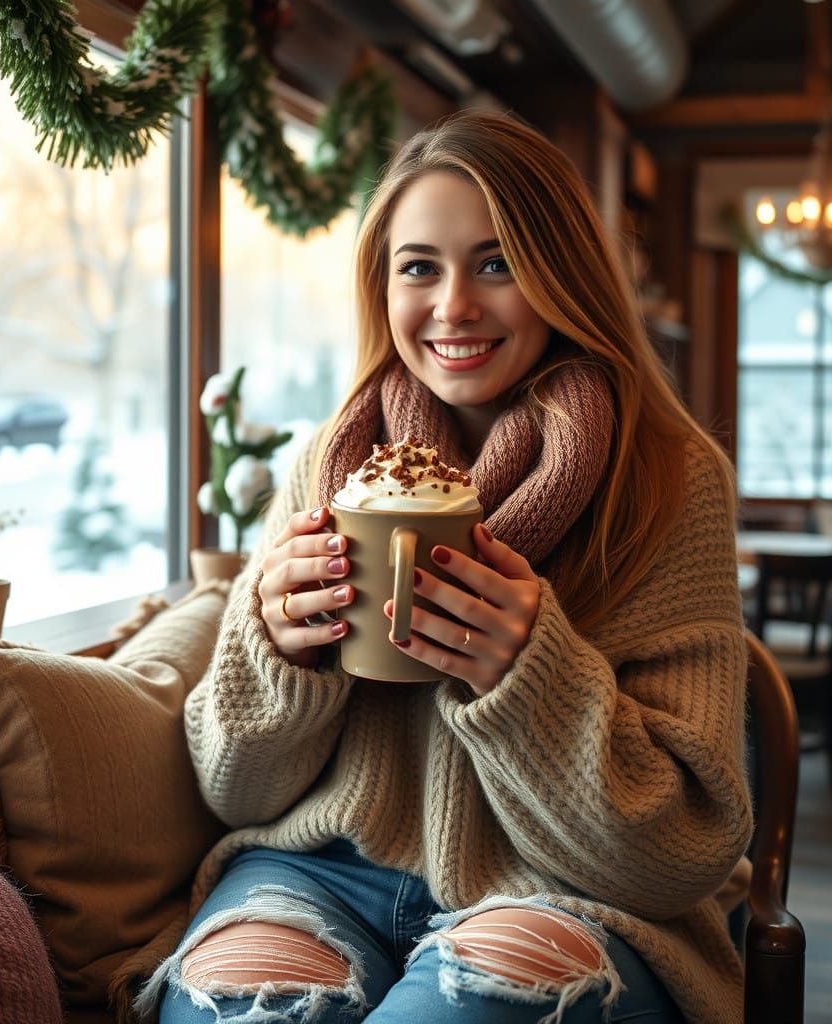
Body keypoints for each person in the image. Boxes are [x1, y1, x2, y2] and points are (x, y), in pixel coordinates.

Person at [136, 110, 753, 1024]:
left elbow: (681, 850)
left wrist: (523, 675)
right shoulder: (329, 467)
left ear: (563, 275)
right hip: (314, 871)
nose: (454, 305)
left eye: (497, 264)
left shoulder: (666, 479)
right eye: (419, 267)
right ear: (381, 286)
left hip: (568, 891)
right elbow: (234, 789)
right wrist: (278, 653)